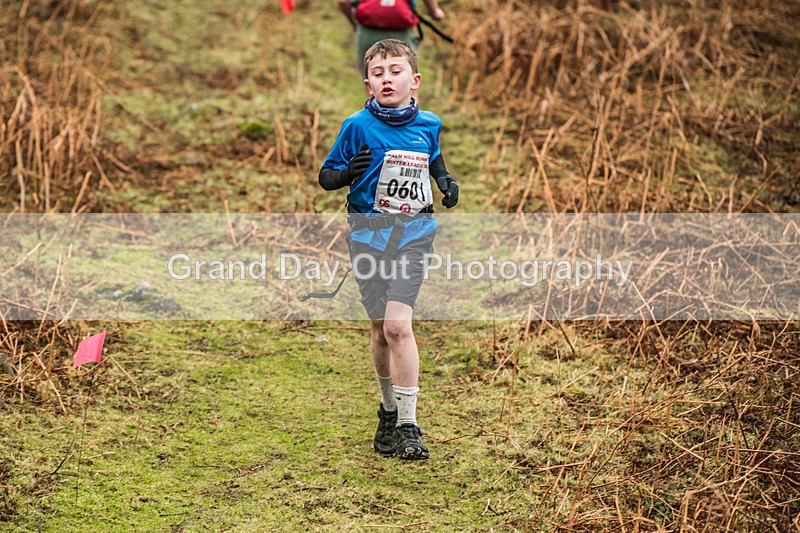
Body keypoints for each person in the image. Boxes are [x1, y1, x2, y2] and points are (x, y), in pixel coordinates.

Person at [318, 39, 459, 460]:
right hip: (366, 234)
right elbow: (325, 176)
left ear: (414, 81)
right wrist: (346, 175)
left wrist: (446, 183)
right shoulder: (356, 125)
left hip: (415, 233)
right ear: (368, 84)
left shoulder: (429, 123)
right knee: (380, 328)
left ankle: (409, 425)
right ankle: (387, 409)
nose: (387, 79)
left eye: (395, 71)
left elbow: (433, 159)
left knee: (399, 326)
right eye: (378, 73)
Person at [336, 0, 445, 74]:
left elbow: (343, 2)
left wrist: (354, 24)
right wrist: (435, 11)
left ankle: (374, 108)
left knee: (374, 83)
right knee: (408, 85)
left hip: (367, 32)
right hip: (402, 33)